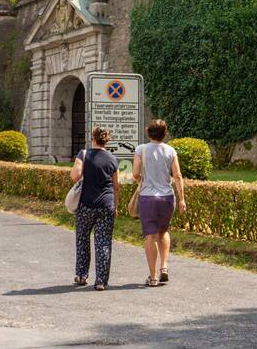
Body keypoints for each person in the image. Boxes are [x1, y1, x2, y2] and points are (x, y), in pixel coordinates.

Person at [132, 120, 186, 287]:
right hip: (167, 197)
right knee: (163, 232)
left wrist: (142, 178)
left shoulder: (141, 149)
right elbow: (177, 176)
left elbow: (134, 174)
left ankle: (153, 277)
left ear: (148, 133)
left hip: (148, 197)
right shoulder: (170, 150)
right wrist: (182, 198)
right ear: (165, 133)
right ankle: (164, 267)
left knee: (150, 236)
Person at [70, 126, 119, 291]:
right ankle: (101, 281)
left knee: (83, 238)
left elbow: (74, 176)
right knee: (104, 242)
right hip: (107, 205)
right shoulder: (113, 158)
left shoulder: (84, 154)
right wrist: (115, 206)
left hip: (86, 204)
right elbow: (116, 186)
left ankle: (82, 275)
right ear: (107, 140)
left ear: (93, 138)